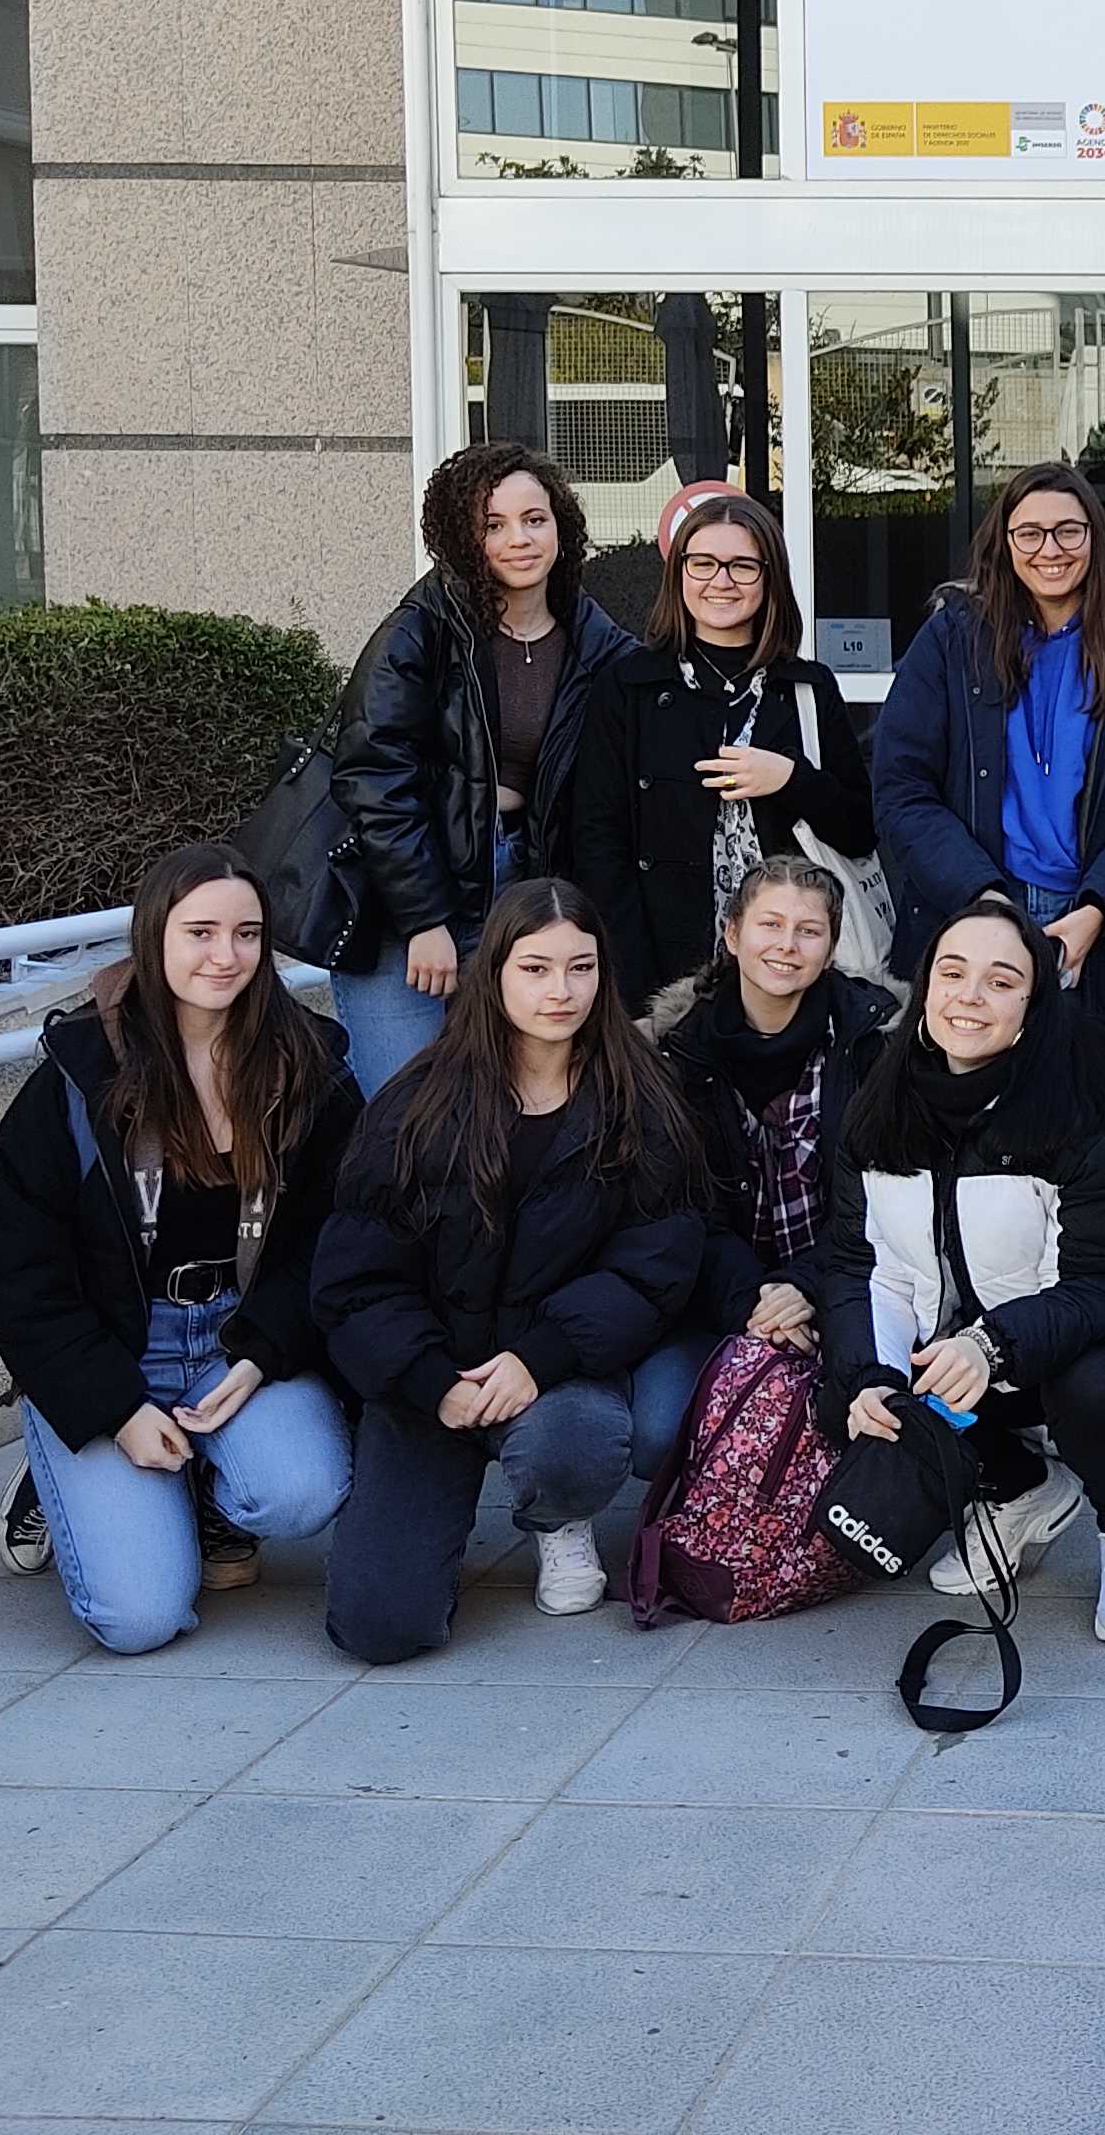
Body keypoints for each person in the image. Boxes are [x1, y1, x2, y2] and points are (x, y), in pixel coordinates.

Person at [0, 843, 360, 1653]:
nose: (227, 956)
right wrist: (112, 1409)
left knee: (302, 1493)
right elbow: (19, 1270)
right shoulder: (79, 1077)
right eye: (201, 932)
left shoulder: (309, 1066)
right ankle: (63, 1460)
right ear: (154, 937)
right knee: (140, 1619)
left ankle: (214, 1492)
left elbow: (339, 1235)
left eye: (248, 934)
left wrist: (262, 1353)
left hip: (237, 1336)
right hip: (112, 1344)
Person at [314, 879, 705, 1662]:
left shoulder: (641, 1097)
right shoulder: (415, 1105)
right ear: (493, 973)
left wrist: (540, 1358)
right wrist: (431, 1382)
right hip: (430, 1376)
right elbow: (354, 1278)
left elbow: (656, 1260)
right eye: (535, 969)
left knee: (579, 1449)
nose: (561, 991)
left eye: (580, 968)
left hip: (559, 1369)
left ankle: (556, 1517)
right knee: (379, 1629)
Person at [814, 895, 1105, 1643]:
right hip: (982, 1342)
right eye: (953, 972)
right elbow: (861, 1267)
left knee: (1095, 1384)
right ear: (926, 985)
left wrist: (989, 1345)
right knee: (851, 1378)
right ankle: (1021, 1488)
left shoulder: (1088, 1111)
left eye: (1000, 981)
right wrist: (871, 1376)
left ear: (1033, 1006)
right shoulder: (880, 1107)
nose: (970, 996)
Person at [331, 441, 638, 1093]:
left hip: (525, 884)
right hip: (409, 894)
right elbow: (372, 773)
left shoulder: (594, 638)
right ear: (461, 537)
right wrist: (423, 919)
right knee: (405, 1104)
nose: (519, 539)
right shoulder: (422, 629)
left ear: (563, 526)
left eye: (535, 519)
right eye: (492, 525)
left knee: (515, 1104)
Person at [870, 462, 1105, 1045]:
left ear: (1096, 539)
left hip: (1096, 920)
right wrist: (983, 898)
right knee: (962, 1106)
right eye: (1030, 532)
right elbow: (902, 789)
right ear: (1005, 541)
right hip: (969, 902)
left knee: (1082, 1114)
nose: (1051, 549)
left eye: (1069, 530)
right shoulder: (954, 640)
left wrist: (1096, 911)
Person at [626, 855, 896, 1480]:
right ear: (732, 934)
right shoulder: (674, 1052)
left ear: (831, 948)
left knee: (866, 1429)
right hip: (722, 1297)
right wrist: (756, 1303)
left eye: (809, 931)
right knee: (655, 1432)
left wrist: (806, 1286)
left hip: (853, 1285)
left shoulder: (874, 1043)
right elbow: (680, 1211)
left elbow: (888, 1202)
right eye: (770, 924)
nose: (787, 945)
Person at [571, 488, 876, 1005]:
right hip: (664, 970)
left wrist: (791, 779)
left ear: (769, 576)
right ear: (679, 572)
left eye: (742, 566)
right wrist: (635, 979)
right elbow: (599, 843)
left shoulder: (807, 688)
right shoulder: (628, 686)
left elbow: (859, 829)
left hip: (789, 967)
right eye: (704, 563)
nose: (721, 581)